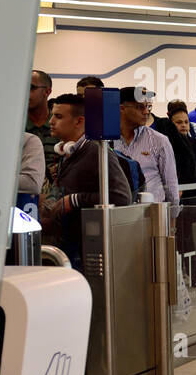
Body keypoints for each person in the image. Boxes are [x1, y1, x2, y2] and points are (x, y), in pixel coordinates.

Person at [40, 93, 132, 268]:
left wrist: (73, 200)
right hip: (69, 246)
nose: (51, 121)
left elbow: (121, 196)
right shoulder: (69, 153)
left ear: (79, 121)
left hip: (86, 252)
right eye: (52, 115)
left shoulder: (95, 151)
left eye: (58, 116)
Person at [168, 101, 196, 287]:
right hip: (175, 202)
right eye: (179, 122)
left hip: (195, 201)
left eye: (186, 122)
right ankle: (179, 276)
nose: (184, 125)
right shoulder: (167, 147)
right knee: (178, 240)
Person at [113, 88, 178, 206]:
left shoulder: (159, 141)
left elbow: (171, 186)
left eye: (148, 106)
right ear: (122, 108)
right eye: (140, 107)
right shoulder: (106, 142)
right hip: (118, 212)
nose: (146, 111)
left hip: (152, 212)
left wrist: (172, 214)